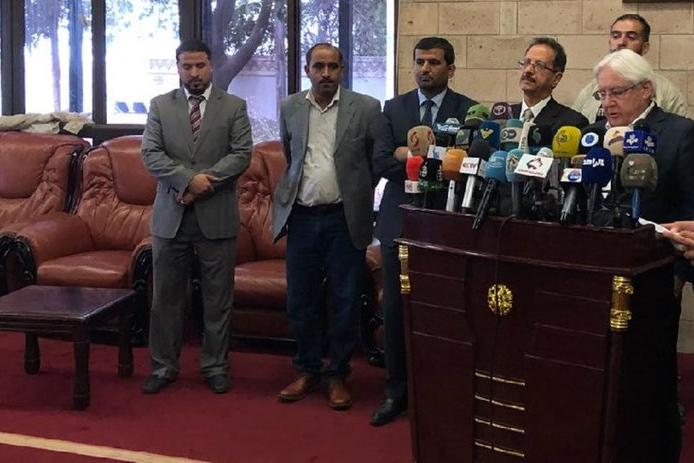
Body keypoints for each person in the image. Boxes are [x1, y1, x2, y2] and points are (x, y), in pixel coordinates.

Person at [591, 48, 694, 462]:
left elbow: (690, 209)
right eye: (601, 94)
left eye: (616, 92)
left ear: (646, 90)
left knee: (649, 382)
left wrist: (680, 269)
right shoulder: (592, 134)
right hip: (595, 272)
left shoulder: (679, 134)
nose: (607, 102)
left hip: (655, 277)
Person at [370, 36, 477, 426]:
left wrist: (411, 154)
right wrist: (434, 160)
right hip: (399, 220)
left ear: (451, 68)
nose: (425, 69)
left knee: (446, 310)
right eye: (419, 62)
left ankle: (441, 392)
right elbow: (382, 162)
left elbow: (469, 164)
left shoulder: (468, 111)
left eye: (433, 62)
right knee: (396, 310)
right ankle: (396, 390)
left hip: (447, 224)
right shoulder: (393, 108)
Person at [272, 43, 381, 410]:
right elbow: (291, 155)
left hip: (343, 218)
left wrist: (355, 191)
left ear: (342, 70)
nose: (326, 74)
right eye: (318, 66)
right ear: (307, 70)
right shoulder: (290, 107)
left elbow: (373, 162)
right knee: (300, 299)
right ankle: (307, 369)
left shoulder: (366, 108)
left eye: (333, 67)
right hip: (302, 217)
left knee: (345, 299)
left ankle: (337, 374)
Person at [140, 39, 252, 395]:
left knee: (218, 299)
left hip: (216, 218)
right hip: (170, 218)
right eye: (186, 66)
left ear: (211, 65)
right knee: (165, 299)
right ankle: (163, 366)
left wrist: (203, 184)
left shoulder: (233, 106)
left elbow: (241, 155)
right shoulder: (160, 105)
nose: (194, 73)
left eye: (200, 65)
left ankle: (215, 366)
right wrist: (187, 181)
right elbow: (150, 154)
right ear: (177, 67)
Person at [573, 14, 688, 123]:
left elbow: (677, 131)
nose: (621, 42)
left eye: (631, 37)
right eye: (616, 36)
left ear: (645, 47)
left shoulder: (666, 92)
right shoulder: (590, 90)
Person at [512, 37, 588, 132]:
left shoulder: (571, 122)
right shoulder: (503, 117)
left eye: (539, 65)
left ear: (556, 78)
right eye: (526, 63)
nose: (528, 70)